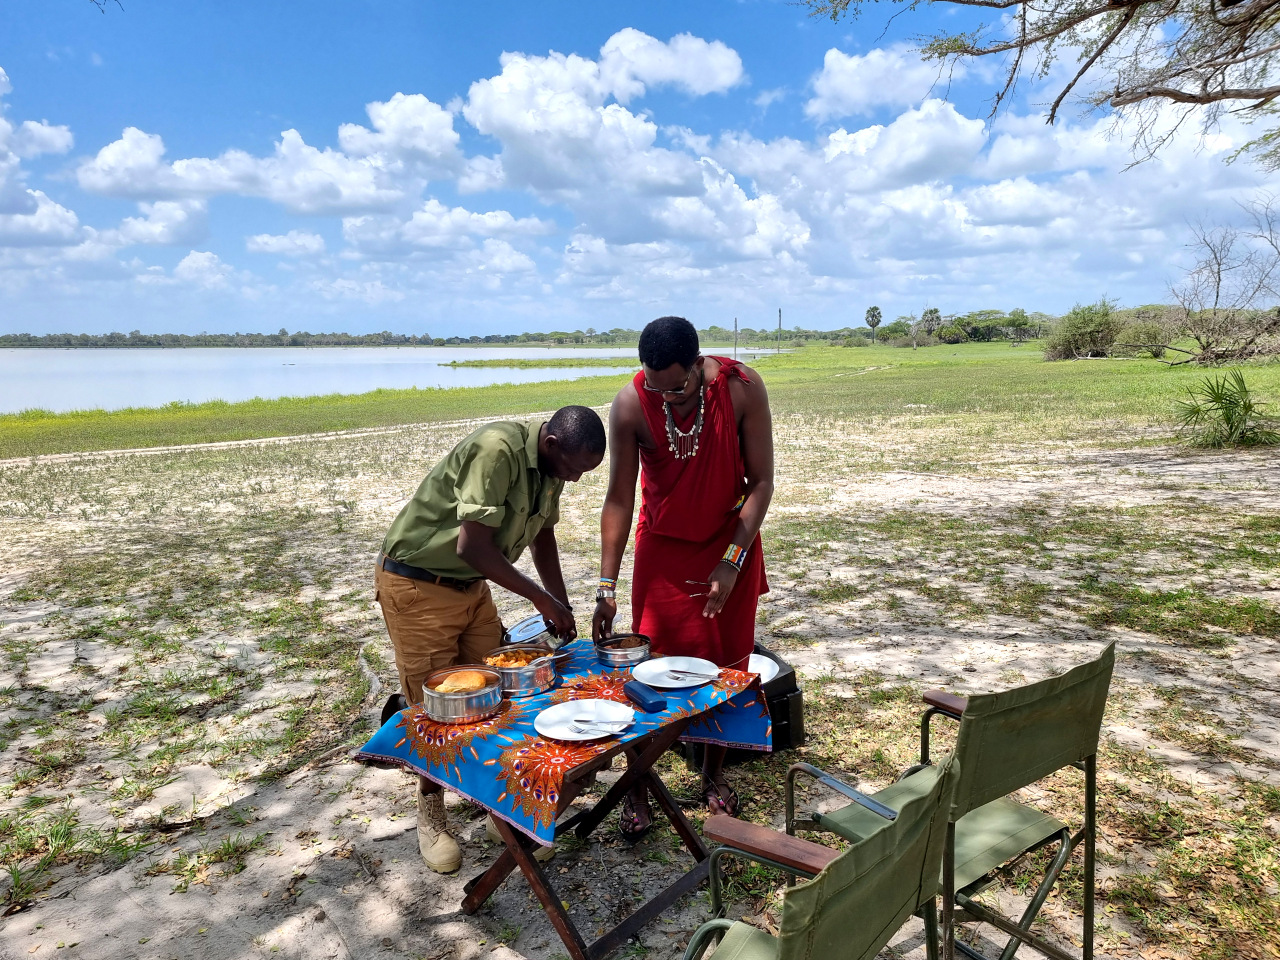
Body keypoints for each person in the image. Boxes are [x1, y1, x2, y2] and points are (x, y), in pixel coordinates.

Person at [376, 405, 606, 873]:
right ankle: (431, 812)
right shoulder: (495, 450)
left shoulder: (551, 466)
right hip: (419, 586)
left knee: (494, 696)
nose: (575, 480)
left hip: (471, 586)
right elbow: (472, 546)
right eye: (574, 469)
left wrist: (561, 607)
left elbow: (543, 538)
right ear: (552, 443)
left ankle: (494, 804)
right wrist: (542, 600)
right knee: (435, 709)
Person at [592, 317, 774, 842]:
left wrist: (732, 559)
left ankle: (712, 773)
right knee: (648, 671)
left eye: (678, 387)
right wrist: (606, 588)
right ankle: (639, 786)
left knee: (722, 665)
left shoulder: (741, 388)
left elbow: (761, 482)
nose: (668, 398)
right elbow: (620, 499)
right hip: (663, 552)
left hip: (729, 543)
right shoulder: (630, 404)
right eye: (657, 387)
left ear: (699, 366)